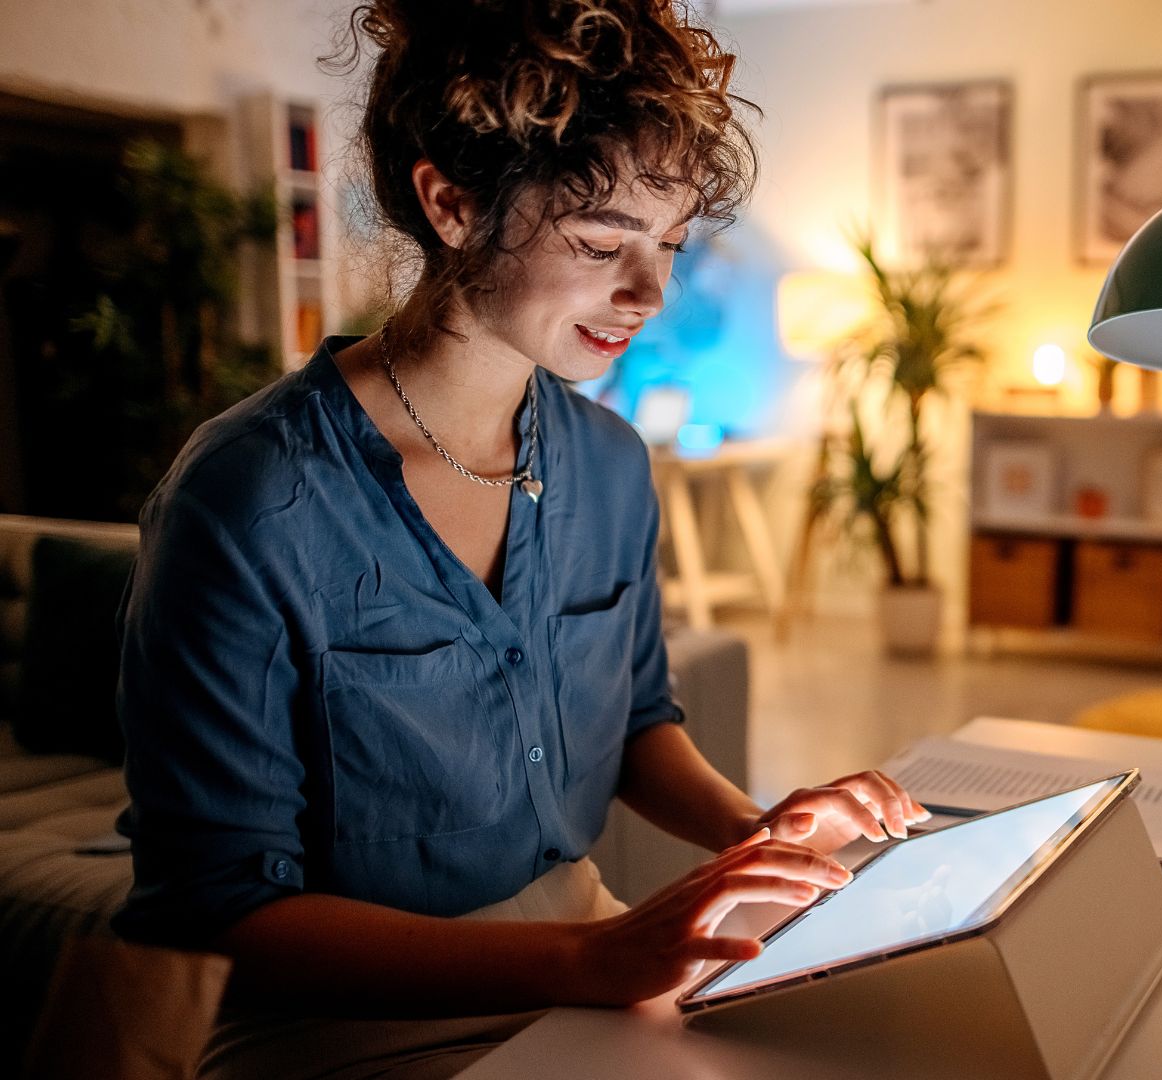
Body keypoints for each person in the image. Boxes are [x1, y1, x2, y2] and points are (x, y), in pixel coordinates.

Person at [110, 2, 927, 1075]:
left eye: (669, 245)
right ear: (451, 204)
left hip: (584, 967)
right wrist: (587, 958)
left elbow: (636, 723)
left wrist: (761, 833)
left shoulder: (607, 461)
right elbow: (220, 912)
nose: (650, 293)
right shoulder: (249, 501)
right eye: (601, 243)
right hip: (344, 1024)